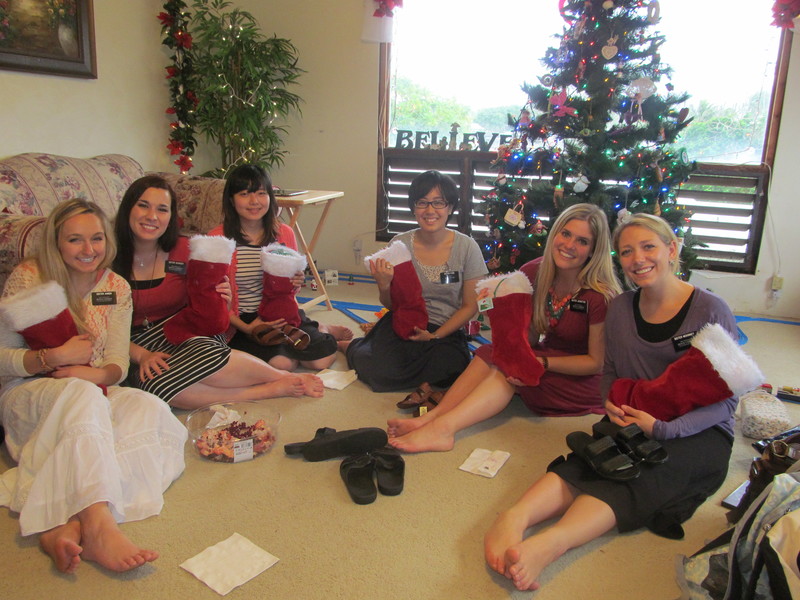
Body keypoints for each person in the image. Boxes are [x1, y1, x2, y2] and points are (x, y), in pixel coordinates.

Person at [484, 213, 741, 592]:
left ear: (671, 250)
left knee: (643, 472)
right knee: (593, 458)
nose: (638, 258)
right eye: (626, 251)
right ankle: (515, 516)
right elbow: (610, 372)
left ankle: (554, 542)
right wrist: (611, 404)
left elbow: (728, 401)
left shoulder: (711, 310)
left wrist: (668, 428)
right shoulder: (621, 308)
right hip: (635, 416)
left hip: (699, 430)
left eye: (649, 247)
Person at [0, 199, 187, 574]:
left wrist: (97, 375)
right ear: (56, 242)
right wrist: (51, 358)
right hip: (30, 390)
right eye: (75, 240)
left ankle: (67, 523)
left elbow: (117, 363)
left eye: (96, 239)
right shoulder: (29, 277)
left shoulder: (116, 285)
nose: (89, 250)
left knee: (152, 410)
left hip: (95, 388)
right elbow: (3, 358)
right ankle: (99, 523)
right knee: (82, 395)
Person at [388, 203, 621, 453]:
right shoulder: (534, 271)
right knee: (493, 352)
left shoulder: (599, 296)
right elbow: (527, 336)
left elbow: (595, 363)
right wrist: (509, 331)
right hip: (547, 354)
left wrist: (538, 362)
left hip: (582, 378)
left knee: (505, 370)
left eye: (583, 241)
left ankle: (445, 429)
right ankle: (429, 419)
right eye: (566, 234)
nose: (569, 245)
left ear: (594, 250)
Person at [112, 175, 323, 409]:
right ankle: (267, 390)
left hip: (183, 326)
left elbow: (209, 294)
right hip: (129, 341)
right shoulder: (108, 255)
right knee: (157, 388)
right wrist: (141, 355)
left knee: (207, 356)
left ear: (171, 216)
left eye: (162, 209)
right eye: (143, 205)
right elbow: (102, 327)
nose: (152, 216)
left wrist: (225, 297)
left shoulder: (187, 248)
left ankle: (282, 379)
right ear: (128, 208)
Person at [343, 170, 488, 391]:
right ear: (413, 208)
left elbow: (471, 305)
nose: (430, 211)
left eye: (438, 203)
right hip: (405, 323)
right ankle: (352, 346)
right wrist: (383, 284)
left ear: (450, 208)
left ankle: (389, 357)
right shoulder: (399, 245)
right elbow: (392, 305)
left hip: (444, 329)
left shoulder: (467, 247)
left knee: (452, 369)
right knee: (379, 371)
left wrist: (434, 335)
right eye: (423, 203)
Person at [208, 164, 350, 370]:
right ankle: (318, 327)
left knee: (321, 361)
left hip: (281, 312)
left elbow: (290, 290)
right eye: (244, 194)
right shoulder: (217, 238)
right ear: (231, 199)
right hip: (243, 319)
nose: (254, 201)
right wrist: (247, 327)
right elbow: (214, 299)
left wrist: (297, 281)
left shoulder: (284, 233)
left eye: (261, 193)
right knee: (282, 364)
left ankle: (322, 327)